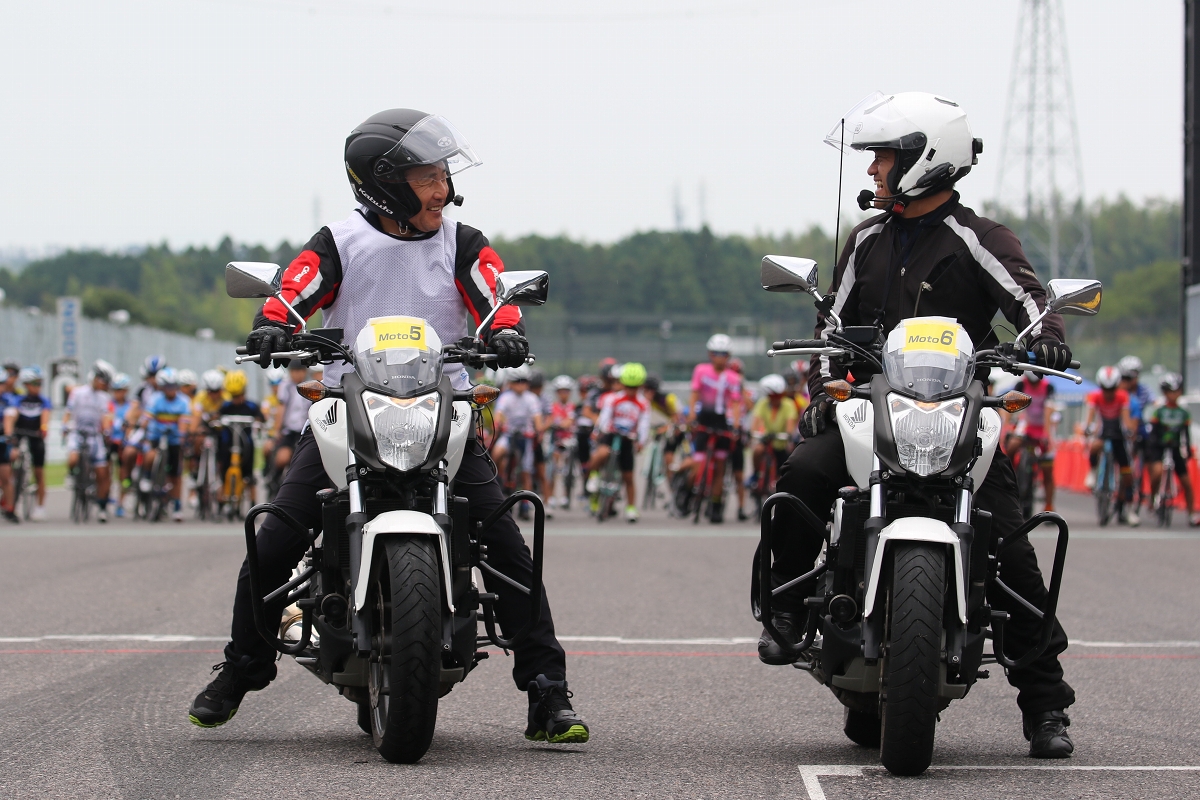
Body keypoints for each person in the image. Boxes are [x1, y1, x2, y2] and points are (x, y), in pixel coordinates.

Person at [188, 109, 586, 745]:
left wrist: (506, 330)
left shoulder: (463, 241)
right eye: (427, 176)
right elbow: (294, 289)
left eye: (442, 175)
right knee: (272, 542)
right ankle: (243, 665)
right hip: (346, 414)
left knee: (509, 550)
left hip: (443, 416)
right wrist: (274, 322)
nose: (442, 189)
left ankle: (547, 690)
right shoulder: (340, 242)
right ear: (386, 183)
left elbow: (494, 292)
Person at [765, 92, 1077, 758]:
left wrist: (1046, 336)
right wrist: (825, 382)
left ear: (926, 160)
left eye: (886, 158)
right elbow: (829, 327)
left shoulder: (980, 239)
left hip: (955, 414)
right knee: (802, 472)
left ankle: (1046, 705)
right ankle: (786, 607)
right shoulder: (867, 241)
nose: (875, 170)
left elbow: (1029, 300)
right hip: (870, 408)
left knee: (1011, 548)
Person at [679, 334, 744, 523]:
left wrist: (737, 425)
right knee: (697, 464)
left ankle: (716, 505)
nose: (720, 357)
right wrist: (691, 415)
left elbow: (735, 404)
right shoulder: (701, 370)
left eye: (724, 354)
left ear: (729, 355)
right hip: (703, 420)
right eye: (716, 353)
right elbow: (694, 394)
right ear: (710, 354)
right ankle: (687, 492)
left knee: (720, 468)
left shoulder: (734, 377)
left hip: (722, 423)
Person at [586, 362, 651, 522]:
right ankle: (594, 476)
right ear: (622, 384)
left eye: (634, 387)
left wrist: (641, 441)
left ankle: (631, 507)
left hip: (628, 438)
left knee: (628, 476)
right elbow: (604, 417)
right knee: (601, 453)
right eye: (628, 386)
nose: (631, 390)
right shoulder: (612, 399)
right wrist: (598, 432)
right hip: (611, 433)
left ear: (640, 386)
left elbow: (644, 424)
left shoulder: (643, 404)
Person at [63, 361, 116, 522]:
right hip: (77, 433)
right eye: (102, 381)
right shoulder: (78, 393)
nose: (104, 385)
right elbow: (68, 412)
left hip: (95, 436)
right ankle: (72, 475)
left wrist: (106, 430)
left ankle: (102, 507)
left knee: (102, 472)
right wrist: (65, 426)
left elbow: (106, 416)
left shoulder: (104, 397)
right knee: (73, 458)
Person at [1144, 372, 1199, 526]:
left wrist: (1187, 450)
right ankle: (1153, 497)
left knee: (1187, 482)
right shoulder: (1159, 411)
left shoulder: (1183, 413)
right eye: (1170, 391)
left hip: (1175, 448)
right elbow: (1153, 433)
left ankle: (1191, 514)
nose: (1173, 394)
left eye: (1176, 391)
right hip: (1159, 447)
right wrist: (1152, 449)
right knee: (1157, 473)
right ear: (1164, 393)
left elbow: (1185, 434)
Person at [1084, 365, 1137, 525]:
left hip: (1118, 434)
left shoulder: (1122, 396)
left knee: (1127, 473)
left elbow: (1126, 418)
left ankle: (1129, 510)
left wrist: (1129, 430)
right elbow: (1090, 417)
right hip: (1103, 432)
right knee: (1095, 446)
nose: (1108, 393)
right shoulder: (1095, 396)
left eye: (1112, 389)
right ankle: (1093, 471)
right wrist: (1088, 427)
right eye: (1105, 389)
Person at [140, 367, 192, 522]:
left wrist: (182, 436)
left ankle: (176, 506)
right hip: (156, 436)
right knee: (149, 456)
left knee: (176, 474)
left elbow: (184, 421)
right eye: (168, 387)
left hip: (174, 439)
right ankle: (147, 477)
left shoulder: (184, 401)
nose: (172, 390)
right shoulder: (155, 399)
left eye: (174, 386)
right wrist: (142, 427)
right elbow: (147, 418)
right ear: (162, 387)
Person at [493, 367, 543, 518]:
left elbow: (537, 417)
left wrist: (538, 428)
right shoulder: (506, 397)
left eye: (524, 382)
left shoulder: (532, 398)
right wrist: (501, 422)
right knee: (497, 453)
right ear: (511, 383)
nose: (520, 385)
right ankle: (499, 478)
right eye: (517, 382)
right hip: (509, 435)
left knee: (526, 472)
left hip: (525, 438)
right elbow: (499, 414)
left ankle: (526, 505)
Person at [7, 367, 53, 521]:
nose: (38, 387)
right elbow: (12, 416)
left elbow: (46, 416)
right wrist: (11, 433)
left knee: (39, 472)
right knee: (12, 461)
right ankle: (13, 502)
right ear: (26, 384)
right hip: (20, 434)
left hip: (36, 436)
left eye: (40, 383)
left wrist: (44, 428)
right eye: (34, 383)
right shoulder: (18, 399)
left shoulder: (43, 401)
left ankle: (40, 507)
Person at [216, 370, 264, 506]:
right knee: (223, 469)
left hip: (246, 444)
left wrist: (259, 421)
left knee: (249, 473)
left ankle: (253, 503)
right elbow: (216, 415)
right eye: (233, 396)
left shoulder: (251, 406)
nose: (236, 399)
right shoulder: (226, 406)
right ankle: (221, 498)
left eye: (239, 395)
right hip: (228, 444)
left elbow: (261, 417)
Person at [1010, 371, 1057, 513]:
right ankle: (1011, 473)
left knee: (1047, 469)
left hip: (1044, 426)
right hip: (1027, 426)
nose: (1033, 385)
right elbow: (1010, 405)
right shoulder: (1020, 385)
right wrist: (1007, 426)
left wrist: (1047, 435)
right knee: (1012, 446)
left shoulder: (1048, 388)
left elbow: (1049, 411)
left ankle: (1049, 505)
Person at [749, 374, 798, 492]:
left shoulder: (788, 404)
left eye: (779, 395)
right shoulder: (762, 403)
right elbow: (756, 422)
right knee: (757, 450)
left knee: (788, 462)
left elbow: (790, 424)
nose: (777, 399)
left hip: (781, 441)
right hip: (766, 438)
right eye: (773, 396)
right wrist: (756, 432)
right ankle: (756, 474)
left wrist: (788, 434)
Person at [1117, 355, 1153, 513]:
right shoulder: (1118, 390)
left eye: (1133, 376)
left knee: (1150, 453)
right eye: (1126, 377)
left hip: (1139, 428)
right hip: (1118, 428)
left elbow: (1154, 403)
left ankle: (1150, 489)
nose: (1131, 380)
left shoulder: (1143, 392)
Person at [268, 361, 312, 483]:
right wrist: (277, 430)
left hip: (306, 430)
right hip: (290, 430)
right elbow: (281, 409)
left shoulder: (311, 385)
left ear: (305, 372)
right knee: (282, 458)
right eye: (293, 371)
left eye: (299, 371)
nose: (296, 375)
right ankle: (274, 479)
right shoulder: (285, 386)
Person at [108, 373, 134, 518]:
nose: (118, 393)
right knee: (106, 469)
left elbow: (131, 424)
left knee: (123, 471)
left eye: (121, 390)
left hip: (123, 442)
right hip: (110, 440)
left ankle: (121, 500)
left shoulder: (131, 406)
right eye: (116, 390)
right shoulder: (108, 404)